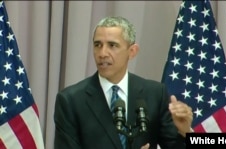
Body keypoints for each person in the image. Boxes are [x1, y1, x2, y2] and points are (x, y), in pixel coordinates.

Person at [54, 16, 193, 149]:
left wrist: (185, 132)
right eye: (98, 45)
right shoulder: (71, 100)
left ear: (132, 51)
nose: (102, 53)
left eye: (112, 45)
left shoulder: (155, 94)